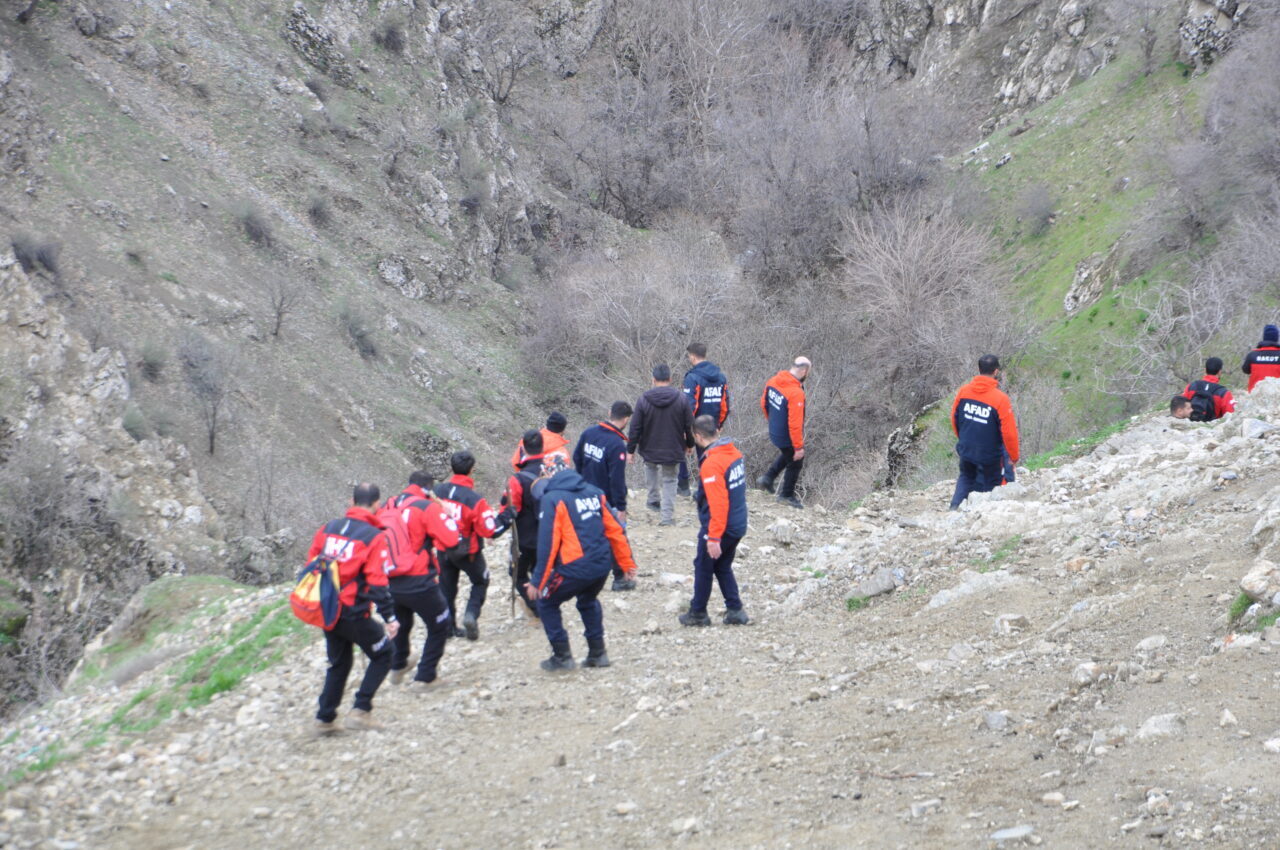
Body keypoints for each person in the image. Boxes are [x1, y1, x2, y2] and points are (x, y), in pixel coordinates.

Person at [306, 483, 400, 735]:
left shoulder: (328, 528)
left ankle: (324, 718)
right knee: (384, 653)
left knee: (339, 662)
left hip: (327, 608)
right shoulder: (373, 536)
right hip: (353, 611)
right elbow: (377, 581)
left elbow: (312, 563)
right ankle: (361, 710)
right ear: (377, 504)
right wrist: (390, 617)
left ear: (351, 500)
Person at [527, 457, 637, 671]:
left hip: (574, 567)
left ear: (547, 474)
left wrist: (538, 581)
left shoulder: (553, 498)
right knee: (587, 601)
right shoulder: (594, 492)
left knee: (546, 602)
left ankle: (562, 656)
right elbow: (616, 530)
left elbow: (548, 543)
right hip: (601, 566)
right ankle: (598, 653)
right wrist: (626, 563)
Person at [383, 472, 461, 691]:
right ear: (429, 489)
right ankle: (425, 677)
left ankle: (398, 665)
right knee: (440, 624)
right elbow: (451, 540)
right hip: (417, 578)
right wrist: (447, 515)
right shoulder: (427, 508)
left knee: (402, 621)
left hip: (389, 577)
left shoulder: (389, 505)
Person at [680, 415, 749, 627]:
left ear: (698, 436)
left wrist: (713, 537)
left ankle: (698, 612)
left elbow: (719, 504)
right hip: (738, 523)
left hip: (722, 526)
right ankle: (735, 610)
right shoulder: (734, 454)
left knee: (703, 565)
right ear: (717, 431)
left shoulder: (713, 463)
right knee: (722, 566)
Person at [434, 451, 503, 641]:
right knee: (480, 581)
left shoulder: (438, 492)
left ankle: (448, 629)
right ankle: (471, 614)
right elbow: (488, 530)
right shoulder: (475, 499)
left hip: (442, 547)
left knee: (446, 588)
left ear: (451, 468)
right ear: (472, 470)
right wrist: (505, 517)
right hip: (468, 551)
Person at [573, 401, 636, 591]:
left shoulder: (589, 433)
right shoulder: (616, 444)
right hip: (606, 500)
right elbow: (616, 479)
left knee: (588, 536)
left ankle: (583, 575)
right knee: (616, 537)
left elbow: (577, 458)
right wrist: (621, 506)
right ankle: (621, 578)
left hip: (584, 493)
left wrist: (582, 482)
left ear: (610, 412)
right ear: (626, 420)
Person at [948, 354, 1020, 510]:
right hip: (990, 454)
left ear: (978, 369)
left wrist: (963, 440)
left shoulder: (963, 391)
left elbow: (954, 418)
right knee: (991, 485)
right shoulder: (1000, 399)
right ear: (996, 371)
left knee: (966, 477)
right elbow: (1009, 433)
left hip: (966, 447)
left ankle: (954, 508)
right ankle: (982, 515)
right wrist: (1013, 457)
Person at [627, 364, 694, 526]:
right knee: (670, 480)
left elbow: (635, 427)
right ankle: (666, 517)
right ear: (670, 379)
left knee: (650, 467)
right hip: (673, 447)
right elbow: (689, 426)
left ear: (653, 380)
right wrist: (690, 444)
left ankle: (653, 500)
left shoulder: (643, 399)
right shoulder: (681, 399)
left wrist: (630, 450)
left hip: (649, 446)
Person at [678, 343, 731, 497]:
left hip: (695, 425)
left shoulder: (692, 377)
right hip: (712, 424)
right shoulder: (721, 376)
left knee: (680, 447)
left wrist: (685, 429)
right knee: (708, 457)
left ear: (692, 356)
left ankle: (683, 485)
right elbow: (725, 404)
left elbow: (689, 406)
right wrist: (719, 424)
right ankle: (707, 487)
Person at [758, 357, 810, 509]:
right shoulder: (795, 393)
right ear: (804, 371)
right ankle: (786, 495)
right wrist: (799, 447)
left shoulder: (773, 380)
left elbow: (763, 403)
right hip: (786, 433)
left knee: (788, 454)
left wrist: (772, 421)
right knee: (796, 460)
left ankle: (768, 478)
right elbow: (795, 424)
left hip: (775, 430)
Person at [505, 430, 546, 617]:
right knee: (542, 570)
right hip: (550, 534)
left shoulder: (518, 479)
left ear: (523, 448)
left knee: (518, 574)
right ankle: (547, 601)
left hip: (526, 539)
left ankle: (537, 608)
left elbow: (511, 509)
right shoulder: (551, 472)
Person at [1181, 357, 1236, 421]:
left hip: (1190, 422)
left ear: (1205, 370)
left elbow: (1181, 405)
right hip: (1211, 426)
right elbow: (1230, 414)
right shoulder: (1224, 393)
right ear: (1219, 372)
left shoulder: (1191, 386)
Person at [1242, 324, 1280, 392]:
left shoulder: (1252, 355)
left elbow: (1245, 370)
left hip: (1256, 398)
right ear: (1277, 338)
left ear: (1264, 337)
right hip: (1277, 398)